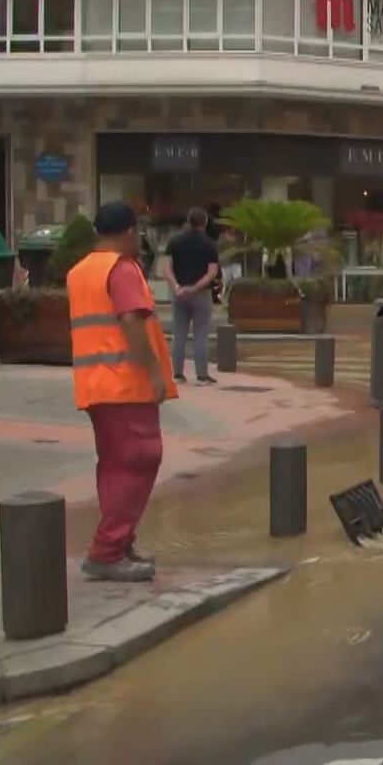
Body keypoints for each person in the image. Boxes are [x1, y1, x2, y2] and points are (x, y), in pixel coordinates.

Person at [67, 202, 177, 584]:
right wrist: (154, 374)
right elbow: (131, 321)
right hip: (126, 383)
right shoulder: (122, 268)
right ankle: (107, 550)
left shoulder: (81, 270)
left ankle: (121, 540)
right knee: (142, 458)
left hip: (96, 383)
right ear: (130, 231)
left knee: (116, 464)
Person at [160, 207, 220, 386]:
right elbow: (212, 272)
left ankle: (177, 374)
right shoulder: (209, 244)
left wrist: (177, 287)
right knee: (201, 334)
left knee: (179, 334)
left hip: (179, 294)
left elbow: (165, 268)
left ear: (188, 221)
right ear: (205, 222)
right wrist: (195, 288)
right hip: (200, 294)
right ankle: (202, 375)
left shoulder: (175, 241)